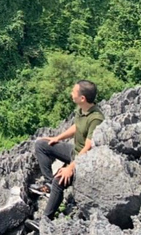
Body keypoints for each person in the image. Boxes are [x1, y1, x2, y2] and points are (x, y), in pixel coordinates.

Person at [24, 80, 105, 232]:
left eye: (74, 92)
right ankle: (48, 185)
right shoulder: (82, 110)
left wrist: (71, 167)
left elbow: (88, 147)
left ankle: (45, 220)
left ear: (82, 98)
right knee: (41, 144)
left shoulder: (96, 118)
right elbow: (76, 127)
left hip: (85, 160)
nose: (71, 93)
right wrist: (57, 138)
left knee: (59, 180)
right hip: (74, 151)